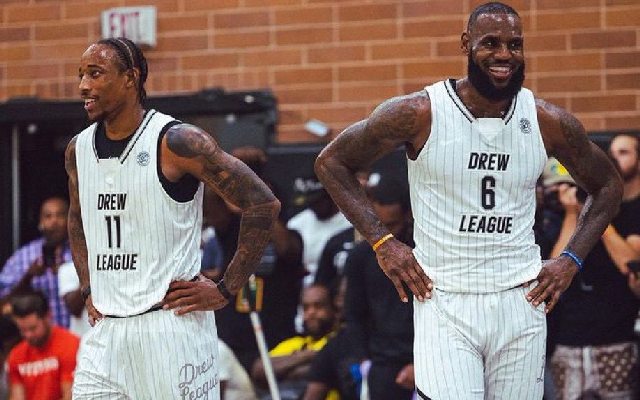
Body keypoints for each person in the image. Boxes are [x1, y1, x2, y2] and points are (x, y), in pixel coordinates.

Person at [314, 2, 623, 399]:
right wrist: (383, 242)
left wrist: (570, 259)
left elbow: (608, 185)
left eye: (514, 44)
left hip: (522, 299)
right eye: (491, 43)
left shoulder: (546, 121)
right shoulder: (419, 112)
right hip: (445, 298)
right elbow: (331, 162)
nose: (504, 54)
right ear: (466, 44)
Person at [66, 37, 280, 399]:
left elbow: (262, 202)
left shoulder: (177, 141)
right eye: (81, 75)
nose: (84, 86)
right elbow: (77, 220)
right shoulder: (78, 149)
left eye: (95, 74)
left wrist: (226, 289)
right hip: (105, 335)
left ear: (131, 78)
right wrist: (88, 287)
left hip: (169, 326)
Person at [548, 134, 640, 399]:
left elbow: (630, 263)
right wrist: (572, 215)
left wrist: (598, 215)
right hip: (569, 339)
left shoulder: (627, 213)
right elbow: (553, 270)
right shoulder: (558, 216)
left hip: (615, 338)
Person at [343, 174, 415, 400]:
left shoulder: (425, 252)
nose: (389, 237)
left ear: (408, 215)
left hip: (426, 353)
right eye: (382, 228)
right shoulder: (360, 257)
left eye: (394, 226)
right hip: (381, 361)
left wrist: (422, 361)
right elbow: (354, 312)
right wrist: (364, 360)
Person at [251, 284, 338, 400]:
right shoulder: (295, 343)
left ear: (333, 309)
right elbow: (259, 370)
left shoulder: (339, 341)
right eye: (306, 308)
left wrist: (283, 370)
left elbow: (322, 370)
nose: (311, 312)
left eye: (318, 306)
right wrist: (307, 355)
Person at [0, 197, 72, 328]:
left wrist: (67, 273)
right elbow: (3, 303)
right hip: (38, 338)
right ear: (40, 222)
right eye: (48, 216)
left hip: (77, 337)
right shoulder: (23, 256)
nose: (54, 221)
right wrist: (28, 277)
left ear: (70, 220)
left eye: (60, 215)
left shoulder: (81, 254)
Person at [5, 291, 80, 400]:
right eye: (23, 330)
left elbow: (71, 396)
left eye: (33, 328)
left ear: (48, 316)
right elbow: (17, 396)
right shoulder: (16, 355)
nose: (28, 335)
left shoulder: (70, 345)